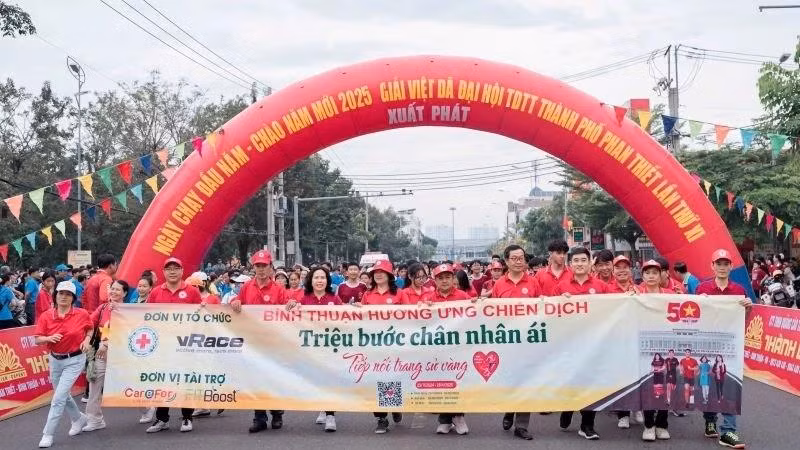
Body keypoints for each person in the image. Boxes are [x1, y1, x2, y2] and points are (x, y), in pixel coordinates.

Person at [695, 249, 749, 449]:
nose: (722, 267)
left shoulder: (739, 290)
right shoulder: (702, 288)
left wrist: (748, 307)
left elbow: (745, 318)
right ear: (712, 266)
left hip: (729, 345)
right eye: (719, 263)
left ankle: (728, 430)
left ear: (731, 266)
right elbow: (694, 317)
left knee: (729, 385)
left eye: (726, 264)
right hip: (707, 344)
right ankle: (709, 418)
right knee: (708, 383)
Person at [229, 250, 287, 433]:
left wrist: (292, 304)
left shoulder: (278, 289)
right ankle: (259, 417)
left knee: (273, 379)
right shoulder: (246, 287)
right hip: (253, 342)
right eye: (258, 266)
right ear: (253, 267)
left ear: (271, 268)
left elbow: (287, 310)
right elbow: (237, 301)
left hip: (273, 343)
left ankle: (277, 413)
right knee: (255, 379)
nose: (261, 269)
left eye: (264, 266)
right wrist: (234, 302)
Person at [489, 245, 541, 440]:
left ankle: (521, 425)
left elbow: (543, 311)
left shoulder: (534, 282)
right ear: (507, 261)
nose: (519, 261)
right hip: (507, 343)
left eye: (522, 258)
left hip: (529, 342)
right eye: (515, 258)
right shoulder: (499, 284)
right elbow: (492, 313)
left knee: (526, 381)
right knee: (510, 381)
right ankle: (509, 409)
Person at [554, 247, 607, 440]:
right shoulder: (561, 287)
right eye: (575, 260)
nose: (579, 264)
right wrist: (559, 301)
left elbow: (616, 309)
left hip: (595, 343)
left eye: (583, 260)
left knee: (591, 383)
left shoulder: (602, 286)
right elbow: (549, 314)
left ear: (590, 262)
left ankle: (587, 425)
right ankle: (568, 407)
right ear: (570, 264)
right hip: (569, 344)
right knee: (572, 380)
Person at [145, 257, 202, 434]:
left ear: (182, 271)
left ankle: (187, 417)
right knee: (163, 381)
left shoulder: (192, 291)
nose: (172, 271)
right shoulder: (155, 292)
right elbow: (145, 315)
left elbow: (201, 316)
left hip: (185, 344)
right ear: (163, 272)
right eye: (168, 268)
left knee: (185, 380)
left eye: (176, 268)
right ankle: (162, 419)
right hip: (163, 344)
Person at [34, 281, 93, 448]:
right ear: (56, 295)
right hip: (55, 360)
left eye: (68, 294)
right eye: (61, 293)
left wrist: (87, 340)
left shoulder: (81, 314)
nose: (64, 297)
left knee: (58, 398)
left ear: (73, 298)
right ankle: (78, 418)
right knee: (63, 395)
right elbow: (37, 339)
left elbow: (90, 328)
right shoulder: (46, 316)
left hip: (75, 359)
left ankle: (48, 433)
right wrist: (48, 338)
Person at [286, 267, 341, 432]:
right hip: (311, 348)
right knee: (318, 379)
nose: (319, 281)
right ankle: (322, 407)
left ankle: (331, 415)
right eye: (316, 277)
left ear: (327, 281)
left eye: (323, 277)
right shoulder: (304, 300)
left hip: (331, 346)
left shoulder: (335, 299)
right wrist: (292, 305)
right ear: (310, 280)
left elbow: (347, 319)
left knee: (330, 379)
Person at [421, 263, 470, 435]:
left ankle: (459, 417)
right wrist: (422, 308)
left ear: (453, 279)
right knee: (441, 382)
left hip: (458, 347)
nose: (444, 281)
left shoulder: (463, 296)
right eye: (440, 278)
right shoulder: (428, 298)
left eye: (448, 277)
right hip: (437, 348)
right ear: (435, 280)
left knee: (458, 381)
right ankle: (445, 420)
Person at [357, 259, 403, 433]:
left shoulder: (399, 294)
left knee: (393, 377)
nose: (378, 274)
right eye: (375, 272)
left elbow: (413, 317)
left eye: (382, 272)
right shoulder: (368, 295)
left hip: (396, 344)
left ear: (389, 275)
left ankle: (397, 406)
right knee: (376, 380)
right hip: (374, 345)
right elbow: (361, 318)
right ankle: (381, 418)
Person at [83, 280, 129, 433]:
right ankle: (95, 419)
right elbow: (89, 323)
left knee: (130, 383)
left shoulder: (129, 310)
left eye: (118, 290)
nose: (114, 292)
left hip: (123, 355)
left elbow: (125, 330)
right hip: (102, 354)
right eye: (113, 289)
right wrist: (87, 338)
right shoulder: (102, 308)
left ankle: (147, 409)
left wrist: (107, 342)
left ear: (125, 293)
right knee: (94, 383)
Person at [638, 260, 672, 441]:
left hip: (667, 347)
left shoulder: (672, 295)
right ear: (642, 276)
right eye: (647, 273)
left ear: (661, 276)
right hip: (643, 348)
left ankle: (662, 424)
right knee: (647, 386)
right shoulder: (635, 295)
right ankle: (649, 425)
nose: (651, 276)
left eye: (655, 273)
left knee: (666, 385)